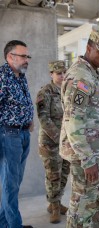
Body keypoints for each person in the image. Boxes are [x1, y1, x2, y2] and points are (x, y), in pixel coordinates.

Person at [59, 25, 99, 227]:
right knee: (82, 204)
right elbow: (73, 121)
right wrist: (87, 159)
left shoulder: (91, 72)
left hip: (95, 151)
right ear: (89, 47)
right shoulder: (80, 77)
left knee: (96, 200)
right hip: (86, 154)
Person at [0, 40, 34, 228]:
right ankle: (14, 225)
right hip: (7, 135)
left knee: (15, 182)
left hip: (22, 134)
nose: (27, 59)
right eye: (23, 56)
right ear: (10, 56)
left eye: (27, 56)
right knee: (10, 185)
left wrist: (29, 119)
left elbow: (24, 102)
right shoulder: (2, 76)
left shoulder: (21, 76)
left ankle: (3, 224)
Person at [36, 60, 70, 224]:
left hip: (67, 142)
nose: (62, 76)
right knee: (53, 176)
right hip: (51, 143)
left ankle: (56, 201)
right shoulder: (45, 92)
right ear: (51, 74)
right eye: (58, 73)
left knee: (64, 174)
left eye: (64, 72)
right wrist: (59, 139)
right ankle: (54, 207)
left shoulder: (67, 91)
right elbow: (44, 119)